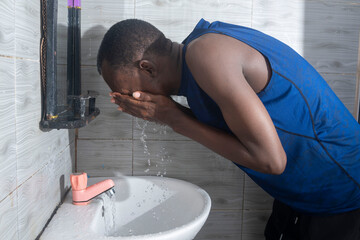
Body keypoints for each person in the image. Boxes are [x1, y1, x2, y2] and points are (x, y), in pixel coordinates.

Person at [97, 18, 360, 239]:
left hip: (342, 194)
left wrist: (173, 118)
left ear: (147, 67)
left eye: (127, 91)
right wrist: (173, 115)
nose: (132, 98)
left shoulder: (206, 54)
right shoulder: (200, 58)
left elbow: (272, 161)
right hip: (305, 198)